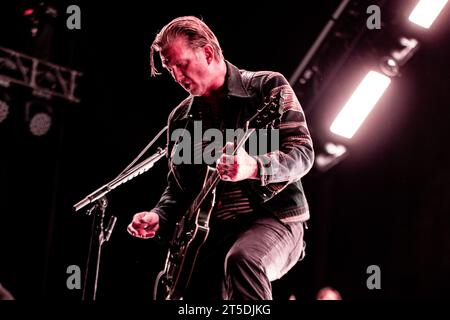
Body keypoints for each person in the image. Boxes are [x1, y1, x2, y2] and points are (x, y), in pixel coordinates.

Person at [127, 16, 314, 300]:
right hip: (211, 233)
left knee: (243, 259)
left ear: (208, 53)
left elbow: (302, 153)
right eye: (170, 69)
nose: (177, 76)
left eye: (181, 64)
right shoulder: (180, 120)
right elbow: (179, 189)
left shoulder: (266, 88)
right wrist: (159, 216)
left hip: (276, 220)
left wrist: (254, 167)